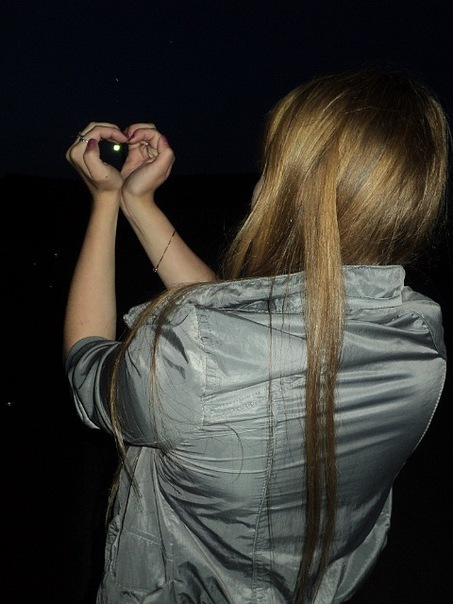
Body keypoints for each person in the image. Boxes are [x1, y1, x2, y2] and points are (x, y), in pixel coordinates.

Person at [64, 69, 449, 603]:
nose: (260, 182)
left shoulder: (193, 356)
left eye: (272, 165)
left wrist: (104, 201)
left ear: (295, 191)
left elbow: (88, 367)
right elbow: (234, 341)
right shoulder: (420, 339)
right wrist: (138, 202)